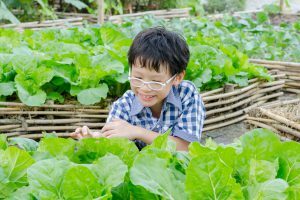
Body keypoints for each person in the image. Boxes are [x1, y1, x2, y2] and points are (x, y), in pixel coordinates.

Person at [71, 27, 206, 151]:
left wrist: (137, 132)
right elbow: (112, 142)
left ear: (177, 78)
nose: (144, 88)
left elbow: (187, 148)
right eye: (137, 77)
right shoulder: (124, 105)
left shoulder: (186, 94)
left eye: (155, 81)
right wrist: (93, 139)